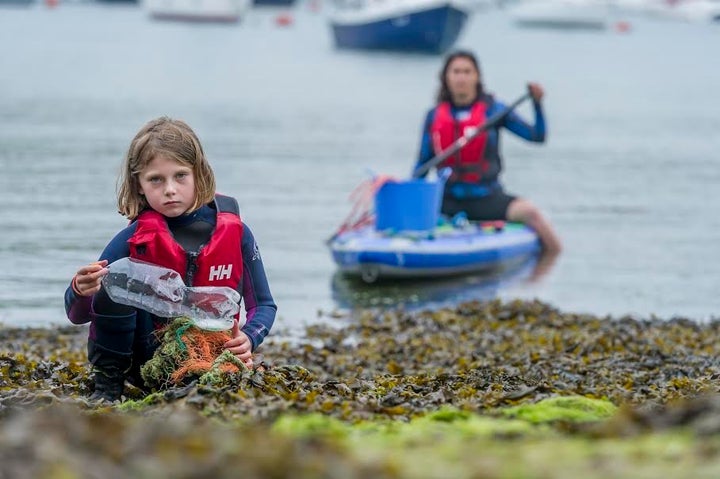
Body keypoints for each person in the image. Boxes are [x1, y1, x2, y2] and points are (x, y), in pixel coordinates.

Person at [64, 116, 277, 402]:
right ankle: (107, 388)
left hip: (211, 360)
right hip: (144, 365)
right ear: (138, 184)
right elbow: (77, 315)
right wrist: (80, 289)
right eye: (155, 179)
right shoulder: (133, 240)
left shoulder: (237, 234)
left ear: (198, 173)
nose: (170, 189)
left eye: (180, 176)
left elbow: (263, 305)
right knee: (111, 283)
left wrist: (249, 338)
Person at [413, 50, 562, 254]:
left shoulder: (494, 111)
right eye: (456, 72)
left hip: (487, 199)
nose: (461, 78)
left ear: (477, 77)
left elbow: (537, 136)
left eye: (467, 72)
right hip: (446, 201)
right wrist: (410, 198)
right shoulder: (434, 116)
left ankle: (549, 264)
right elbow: (421, 167)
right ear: (446, 77)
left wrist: (537, 104)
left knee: (531, 213)